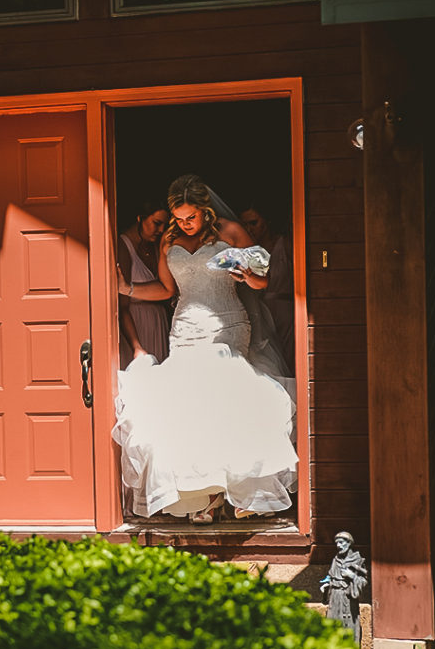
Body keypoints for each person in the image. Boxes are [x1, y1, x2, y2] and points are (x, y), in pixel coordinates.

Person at [112, 173, 298, 523]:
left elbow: (263, 281)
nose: (185, 223)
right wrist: (127, 288)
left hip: (227, 324)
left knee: (225, 401)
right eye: (179, 218)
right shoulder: (170, 240)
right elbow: (168, 290)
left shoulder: (230, 232)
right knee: (189, 407)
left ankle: (239, 490)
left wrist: (246, 275)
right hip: (185, 329)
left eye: (191, 217)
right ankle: (204, 493)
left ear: (205, 210)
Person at [239, 198, 295, 368]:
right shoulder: (247, 250)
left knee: (288, 355)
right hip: (257, 311)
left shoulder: (285, 244)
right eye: (245, 225)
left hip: (283, 310)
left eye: (254, 223)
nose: (249, 229)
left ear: (266, 220)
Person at [117, 201, 170, 369]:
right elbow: (122, 306)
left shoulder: (156, 245)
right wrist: (136, 346)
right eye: (156, 223)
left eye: (164, 225)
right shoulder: (123, 245)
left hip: (159, 321)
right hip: (137, 323)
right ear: (140, 218)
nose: (161, 230)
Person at [319, 532, 368, 647]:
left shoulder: (358, 560)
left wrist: (351, 576)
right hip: (335, 597)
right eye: (337, 543)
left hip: (348, 598)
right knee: (333, 624)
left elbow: (363, 581)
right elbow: (331, 576)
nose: (338, 546)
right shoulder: (336, 560)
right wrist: (327, 584)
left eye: (341, 543)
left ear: (349, 543)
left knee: (349, 625)